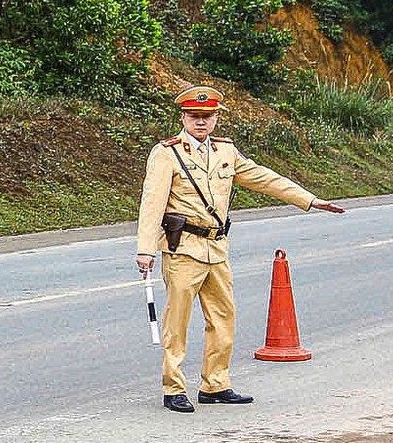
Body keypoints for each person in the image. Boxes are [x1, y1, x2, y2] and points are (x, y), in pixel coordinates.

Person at [134, 86, 345, 413]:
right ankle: (174, 387)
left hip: (217, 248)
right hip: (183, 249)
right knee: (177, 322)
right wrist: (146, 249)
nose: (201, 122)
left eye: (207, 116)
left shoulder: (226, 151)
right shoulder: (167, 153)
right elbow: (152, 203)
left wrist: (309, 199)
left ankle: (215, 384)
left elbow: (265, 178)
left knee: (223, 318)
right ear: (183, 117)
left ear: (216, 118)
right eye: (194, 116)